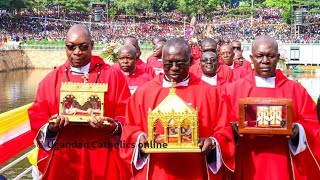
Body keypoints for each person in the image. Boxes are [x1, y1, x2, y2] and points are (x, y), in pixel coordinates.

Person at [120, 38, 235, 180]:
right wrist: (139, 138)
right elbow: (129, 128)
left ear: (191, 60)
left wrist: (212, 142)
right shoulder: (144, 93)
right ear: (162, 61)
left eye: (180, 62)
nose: (174, 67)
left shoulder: (211, 94)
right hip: (158, 171)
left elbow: (224, 131)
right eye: (168, 63)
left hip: (196, 170)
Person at [28, 24, 132, 180]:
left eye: (83, 47)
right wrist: (51, 127)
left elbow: (127, 114)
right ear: (65, 46)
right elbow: (37, 115)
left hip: (102, 153)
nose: (77, 52)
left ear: (92, 45)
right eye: (71, 47)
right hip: (65, 156)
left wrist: (114, 126)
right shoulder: (52, 80)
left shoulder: (112, 76)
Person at [225, 35, 320, 180]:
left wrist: (298, 130)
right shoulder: (233, 90)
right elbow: (221, 126)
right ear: (251, 58)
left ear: (278, 57)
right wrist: (232, 130)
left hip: (282, 161)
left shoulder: (295, 90)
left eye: (270, 56)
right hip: (247, 159)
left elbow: (313, 125)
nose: (265, 61)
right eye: (259, 56)